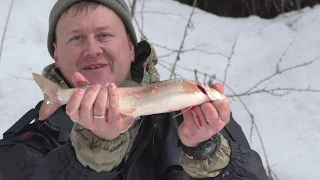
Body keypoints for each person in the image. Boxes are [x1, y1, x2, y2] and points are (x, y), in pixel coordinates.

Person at [0, 0, 269, 179]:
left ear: (130, 48)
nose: (93, 49)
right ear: (56, 55)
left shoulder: (200, 118)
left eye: (104, 35)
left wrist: (205, 152)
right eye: (77, 38)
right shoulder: (31, 138)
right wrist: (94, 152)